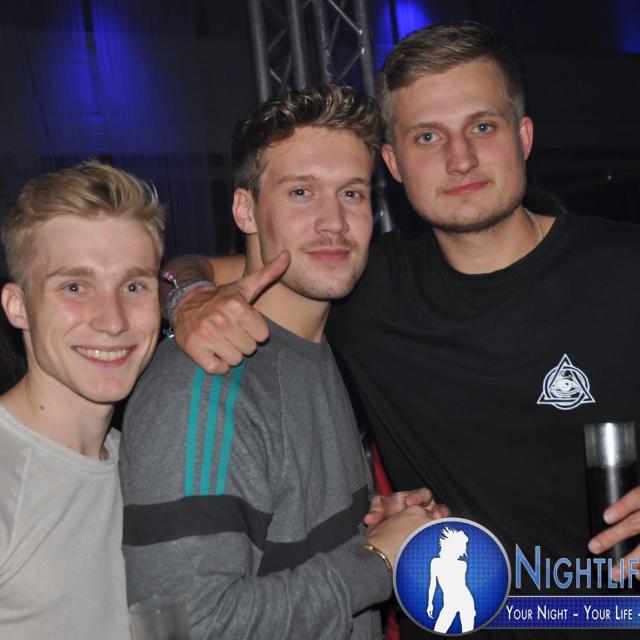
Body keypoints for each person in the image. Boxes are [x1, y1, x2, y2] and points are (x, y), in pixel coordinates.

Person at [162, 22, 640, 638]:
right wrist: (189, 298)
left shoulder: (624, 268)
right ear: (393, 163)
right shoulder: (361, 284)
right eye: (427, 136)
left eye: (483, 127)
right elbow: (196, 268)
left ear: (523, 137)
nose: (460, 158)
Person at [120, 84, 441, 640]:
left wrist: (374, 524)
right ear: (245, 210)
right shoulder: (203, 383)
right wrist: (374, 561)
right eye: (301, 192)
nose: (333, 222)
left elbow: (282, 537)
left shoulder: (322, 346)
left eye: (352, 193)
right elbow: (193, 627)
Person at [0, 160, 164, 639]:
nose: (112, 321)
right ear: (18, 306)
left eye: (133, 286)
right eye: (75, 287)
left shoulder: (145, 461)